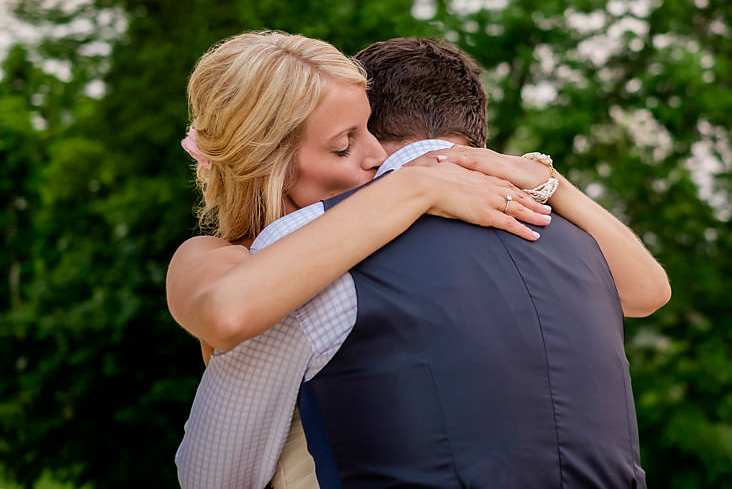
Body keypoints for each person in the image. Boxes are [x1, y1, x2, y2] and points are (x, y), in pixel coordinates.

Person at [175, 37, 670, 488]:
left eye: (370, 128)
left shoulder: (359, 249)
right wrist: (416, 185)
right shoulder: (244, 257)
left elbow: (212, 475)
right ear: (267, 165)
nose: (374, 158)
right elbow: (227, 311)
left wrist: (548, 181)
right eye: (345, 143)